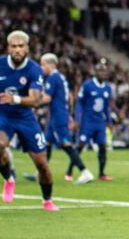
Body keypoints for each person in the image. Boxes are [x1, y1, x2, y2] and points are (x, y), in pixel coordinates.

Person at [0, 30, 58, 211]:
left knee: (42, 165)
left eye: (21, 46)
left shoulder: (34, 69)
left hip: (25, 118)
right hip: (2, 116)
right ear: (8, 48)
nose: (17, 50)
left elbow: (36, 100)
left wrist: (14, 99)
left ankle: (47, 200)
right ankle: (9, 179)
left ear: (27, 48)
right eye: (14, 46)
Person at [40, 53, 93, 184]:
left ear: (51, 64)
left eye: (43, 64)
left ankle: (85, 172)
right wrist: (68, 112)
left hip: (58, 116)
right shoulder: (61, 77)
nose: (41, 67)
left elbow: (47, 98)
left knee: (66, 144)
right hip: (58, 114)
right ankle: (41, 173)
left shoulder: (53, 78)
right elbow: (69, 97)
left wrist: (32, 97)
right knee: (47, 143)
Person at [74, 59, 114, 181]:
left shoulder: (107, 87)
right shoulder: (87, 85)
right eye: (100, 70)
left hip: (100, 122)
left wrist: (109, 121)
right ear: (95, 72)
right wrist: (77, 118)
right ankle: (69, 171)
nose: (102, 73)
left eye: (104, 71)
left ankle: (101, 173)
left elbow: (107, 107)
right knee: (80, 146)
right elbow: (79, 102)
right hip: (87, 121)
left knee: (102, 146)